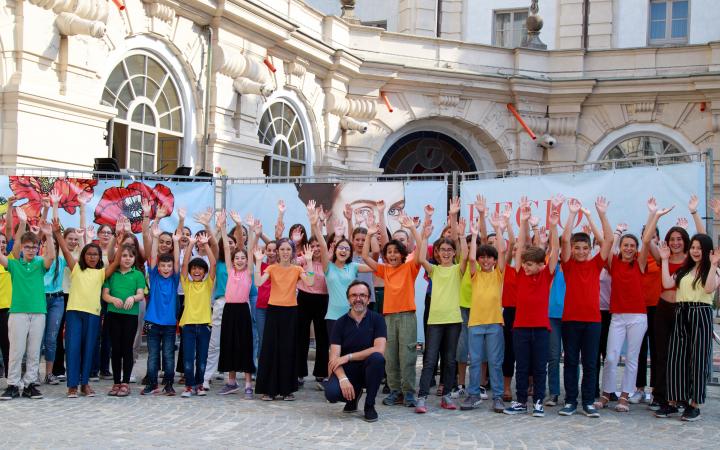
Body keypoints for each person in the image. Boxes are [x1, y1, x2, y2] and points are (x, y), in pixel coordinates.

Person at [643, 197, 700, 417]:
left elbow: (703, 240)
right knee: (662, 353)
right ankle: (661, 396)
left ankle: (681, 396)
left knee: (683, 355)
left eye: (679, 239)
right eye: (672, 239)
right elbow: (647, 240)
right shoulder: (662, 257)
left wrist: (694, 213)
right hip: (663, 309)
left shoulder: (691, 259)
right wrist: (655, 215)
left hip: (684, 310)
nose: (676, 242)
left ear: (685, 241)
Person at [503, 200, 559, 417]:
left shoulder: (546, 275)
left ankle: (538, 402)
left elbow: (554, 251)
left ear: (540, 265)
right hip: (521, 328)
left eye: (529, 264)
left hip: (541, 329)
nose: (525, 266)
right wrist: (524, 222)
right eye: (524, 263)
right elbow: (521, 246)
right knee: (522, 366)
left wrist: (553, 227)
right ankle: (520, 402)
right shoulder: (519, 274)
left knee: (539, 368)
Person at [558, 197, 612, 418]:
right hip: (570, 320)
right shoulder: (568, 265)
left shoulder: (595, 263)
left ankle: (588, 401)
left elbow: (608, 240)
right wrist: (571, 214)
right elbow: (563, 240)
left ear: (590, 249)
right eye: (577, 248)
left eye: (584, 248)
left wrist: (598, 214)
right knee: (571, 362)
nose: (581, 251)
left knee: (591, 363)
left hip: (593, 321)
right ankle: (571, 401)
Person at [54, 220, 121, 397]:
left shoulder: (101, 273)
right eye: (89, 254)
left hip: (93, 315)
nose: (92, 257)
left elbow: (116, 262)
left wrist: (119, 240)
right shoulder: (75, 268)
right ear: (83, 255)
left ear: (100, 257)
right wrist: (57, 233)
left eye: (95, 255)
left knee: (89, 349)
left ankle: (85, 384)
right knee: (73, 348)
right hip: (74, 313)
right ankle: (72, 386)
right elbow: (66, 250)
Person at [362, 214, 422, 408]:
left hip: (407, 316)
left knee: (408, 355)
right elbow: (364, 257)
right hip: (388, 318)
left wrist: (413, 229)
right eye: (389, 252)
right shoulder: (385, 270)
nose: (393, 255)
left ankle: (409, 392)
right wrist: (370, 234)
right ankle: (395, 390)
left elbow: (420, 252)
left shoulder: (410, 267)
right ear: (385, 255)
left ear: (402, 253)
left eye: (396, 251)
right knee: (391, 357)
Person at [660, 235, 717, 422]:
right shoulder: (685, 270)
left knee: (698, 359)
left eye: (699, 248)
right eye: (693, 247)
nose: (695, 251)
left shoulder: (713, 271)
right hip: (681, 311)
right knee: (676, 357)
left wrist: (714, 264)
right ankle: (674, 401)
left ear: (707, 250)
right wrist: (665, 259)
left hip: (701, 312)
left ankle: (695, 405)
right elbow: (667, 284)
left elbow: (709, 289)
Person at [0, 212, 56, 401]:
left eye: (34, 247)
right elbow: (4, 255)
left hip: (39, 312)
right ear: (21, 248)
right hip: (17, 313)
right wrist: (22, 225)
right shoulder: (14, 265)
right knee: (16, 350)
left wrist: (48, 235)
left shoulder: (40, 264)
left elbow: (52, 258)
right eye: (27, 247)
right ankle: (13, 384)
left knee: (34, 351)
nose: (31, 250)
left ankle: (30, 383)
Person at [416, 216, 467, 413]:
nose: (446, 253)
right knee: (429, 360)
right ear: (437, 253)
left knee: (449, 359)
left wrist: (461, 236)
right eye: (442, 250)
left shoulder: (457, 270)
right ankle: (422, 397)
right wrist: (425, 237)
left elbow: (465, 258)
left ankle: (446, 396)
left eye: (449, 250)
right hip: (435, 321)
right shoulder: (434, 270)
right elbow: (421, 259)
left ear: (454, 253)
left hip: (453, 321)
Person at [253, 238, 314, 401]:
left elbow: (311, 281)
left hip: (291, 312)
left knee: (288, 349)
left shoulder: (297, 269)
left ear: (292, 252)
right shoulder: (272, 268)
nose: (285, 252)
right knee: (270, 348)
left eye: (288, 249)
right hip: (273, 310)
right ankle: (268, 389)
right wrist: (258, 262)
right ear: (278, 252)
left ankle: (287, 390)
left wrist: (309, 262)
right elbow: (258, 282)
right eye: (282, 249)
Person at [595, 229, 649, 412]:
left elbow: (647, 239)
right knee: (610, 357)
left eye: (632, 246)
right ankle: (606, 394)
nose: (628, 248)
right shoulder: (614, 262)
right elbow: (607, 243)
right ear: (620, 246)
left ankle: (625, 396)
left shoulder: (640, 263)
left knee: (632, 358)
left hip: (637, 317)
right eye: (625, 245)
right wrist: (615, 230)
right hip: (617, 316)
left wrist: (653, 215)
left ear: (636, 249)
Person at [324, 280, 387, 423]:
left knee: (377, 358)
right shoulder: (339, 323)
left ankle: (369, 405)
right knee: (332, 394)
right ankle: (353, 397)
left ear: (369, 299)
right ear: (348, 299)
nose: (358, 299)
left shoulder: (378, 319)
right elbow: (334, 357)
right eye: (354, 295)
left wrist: (348, 357)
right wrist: (343, 379)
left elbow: (379, 349)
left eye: (362, 295)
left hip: (368, 369)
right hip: (348, 372)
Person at [462, 213, 506, 413]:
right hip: (476, 324)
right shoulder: (475, 274)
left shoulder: (499, 274)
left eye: (489, 257)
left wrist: (498, 229)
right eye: (483, 257)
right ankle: (473, 395)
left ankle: (498, 397)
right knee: (475, 361)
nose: (486, 260)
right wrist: (472, 235)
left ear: (495, 260)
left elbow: (503, 251)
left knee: (495, 362)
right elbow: (471, 257)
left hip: (495, 323)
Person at [217, 214, 258, 398]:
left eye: (243, 258)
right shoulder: (229, 269)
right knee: (229, 344)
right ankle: (231, 382)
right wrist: (222, 227)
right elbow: (227, 247)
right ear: (232, 261)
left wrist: (246, 227)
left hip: (242, 310)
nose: (240, 260)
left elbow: (249, 250)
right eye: (237, 258)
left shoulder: (249, 272)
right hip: (229, 310)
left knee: (245, 345)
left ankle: (248, 383)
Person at [141, 224, 181, 396]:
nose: (166, 268)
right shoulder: (155, 276)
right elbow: (152, 257)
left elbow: (178, 261)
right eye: (163, 266)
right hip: (152, 323)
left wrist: (177, 243)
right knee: (153, 356)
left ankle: (169, 384)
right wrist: (155, 238)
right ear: (158, 267)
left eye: (169, 266)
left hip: (170, 324)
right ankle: (151, 383)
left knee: (169, 356)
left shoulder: (174, 279)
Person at [102, 243, 146, 396]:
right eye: (124, 256)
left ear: (135, 258)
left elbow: (141, 294)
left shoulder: (138, 274)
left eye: (131, 256)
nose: (127, 259)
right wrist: (113, 299)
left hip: (130, 316)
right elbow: (105, 294)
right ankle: (116, 382)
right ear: (118, 258)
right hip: (114, 314)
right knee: (116, 349)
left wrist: (133, 298)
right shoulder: (112, 274)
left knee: (127, 348)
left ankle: (125, 382)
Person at [179, 232, 216, 398]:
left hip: (204, 326)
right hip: (188, 326)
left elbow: (213, 264)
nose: (196, 271)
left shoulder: (208, 284)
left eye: (200, 269)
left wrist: (206, 245)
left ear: (204, 272)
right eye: (194, 268)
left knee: (202, 359)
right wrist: (191, 245)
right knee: (188, 358)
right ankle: (189, 386)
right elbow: (184, 264)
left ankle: (200, 385)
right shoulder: (186, 284)